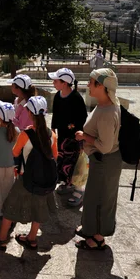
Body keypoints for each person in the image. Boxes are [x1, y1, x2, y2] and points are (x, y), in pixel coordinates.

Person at [0, 96, 58, 251]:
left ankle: (1, 238)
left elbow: (15, 152)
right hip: (45, 180)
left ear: (30, 113)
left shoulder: (26, 134)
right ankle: (31, 238)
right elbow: (55, 156)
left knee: (10, 207)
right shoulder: (52, 134)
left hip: (26, 178)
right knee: (39, 207)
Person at [74, 68, 122, 251]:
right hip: (101, 161)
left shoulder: (108, 112)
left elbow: (105, 146)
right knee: (94, 197)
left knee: (102, 199)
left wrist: (84, 137)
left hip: (106, 161)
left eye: (91, 82)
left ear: (101, 86)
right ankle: (91, 229)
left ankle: (99, 238)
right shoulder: (103, 105)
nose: (88, 85)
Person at [48, 67, 88, 207]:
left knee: (76, 164)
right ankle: (68, 183)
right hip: (62, 136)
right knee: (64, 161)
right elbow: (56, 114)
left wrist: (76, 131)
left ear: (64, 83)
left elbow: (83, 118)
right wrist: (53, 128)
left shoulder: (76, 98)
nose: (53, 82)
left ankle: (79, 190)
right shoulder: (58, 96)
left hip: (74, 138)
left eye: (56, 80)